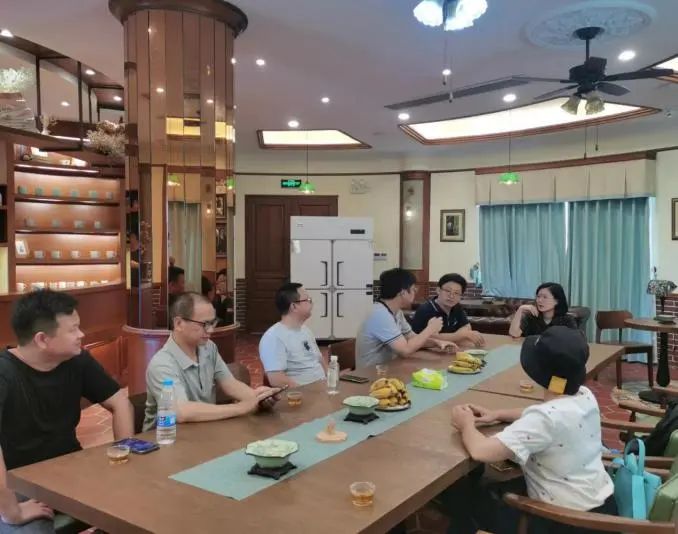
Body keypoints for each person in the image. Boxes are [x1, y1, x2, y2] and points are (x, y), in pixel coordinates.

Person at [447, 327, 616, 534]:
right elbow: (545, 414)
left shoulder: (543, 420)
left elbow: (481, 451)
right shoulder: (584, 395)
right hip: (603, 512)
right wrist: (497, 414)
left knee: (463, 499)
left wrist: (466, 423)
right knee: (494, 485)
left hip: (564, 523)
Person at [0, 290, 133, 532]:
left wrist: (123, 456)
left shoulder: (77, 360)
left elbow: (120, 403)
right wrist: (12, 512)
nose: (81, 335)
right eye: (73, 330)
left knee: (137, 503)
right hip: (19, 482)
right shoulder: (5, 374)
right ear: (42, 339)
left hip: (71, 471)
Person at [144, 293, 279, 430]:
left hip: (202, 430)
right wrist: (241, 407)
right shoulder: (162, 364)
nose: (211, 330)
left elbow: (229, 384)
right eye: (205, 324)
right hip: (165, 437)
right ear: (179, 323)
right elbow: (181, 412)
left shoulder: (208, 348)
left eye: (213, 322)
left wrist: (256, 398)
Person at [356, 268, 450, 368]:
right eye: (413, 289)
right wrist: (430, 329)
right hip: (371, 373)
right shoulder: (379, 314)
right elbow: (405, 350)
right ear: (403, 292)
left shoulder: (397, 312)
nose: (415, 292)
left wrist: (437, 343)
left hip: (389, 367)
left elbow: (412, 338)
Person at [259, 283, 327, 388]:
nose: (312, 303)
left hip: (322, 388)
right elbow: (276, 379)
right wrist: (307, 392)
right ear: (294, 306)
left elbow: (319, 360)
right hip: (302, 393)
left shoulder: (305, 330)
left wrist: (332, 381)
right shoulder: (273, 337)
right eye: (308, 300)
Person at [410, 273, 485, 348]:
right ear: (438, 290)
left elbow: (466, 326)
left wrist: (458, 336)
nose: (451, 296)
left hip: (449, 349)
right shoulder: (425, 310)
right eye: (448, 291)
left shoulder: (456, 307)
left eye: (456, 293)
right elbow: (425, 338)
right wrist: (461, 335)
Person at [509, 282, 577, 338]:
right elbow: (514, 334)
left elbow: (573, 342)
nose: (540, 300)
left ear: (556, 301)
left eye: (545, 297)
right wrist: (520, 309)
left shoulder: (567, 320)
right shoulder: (531, 316)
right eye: (538, 296)